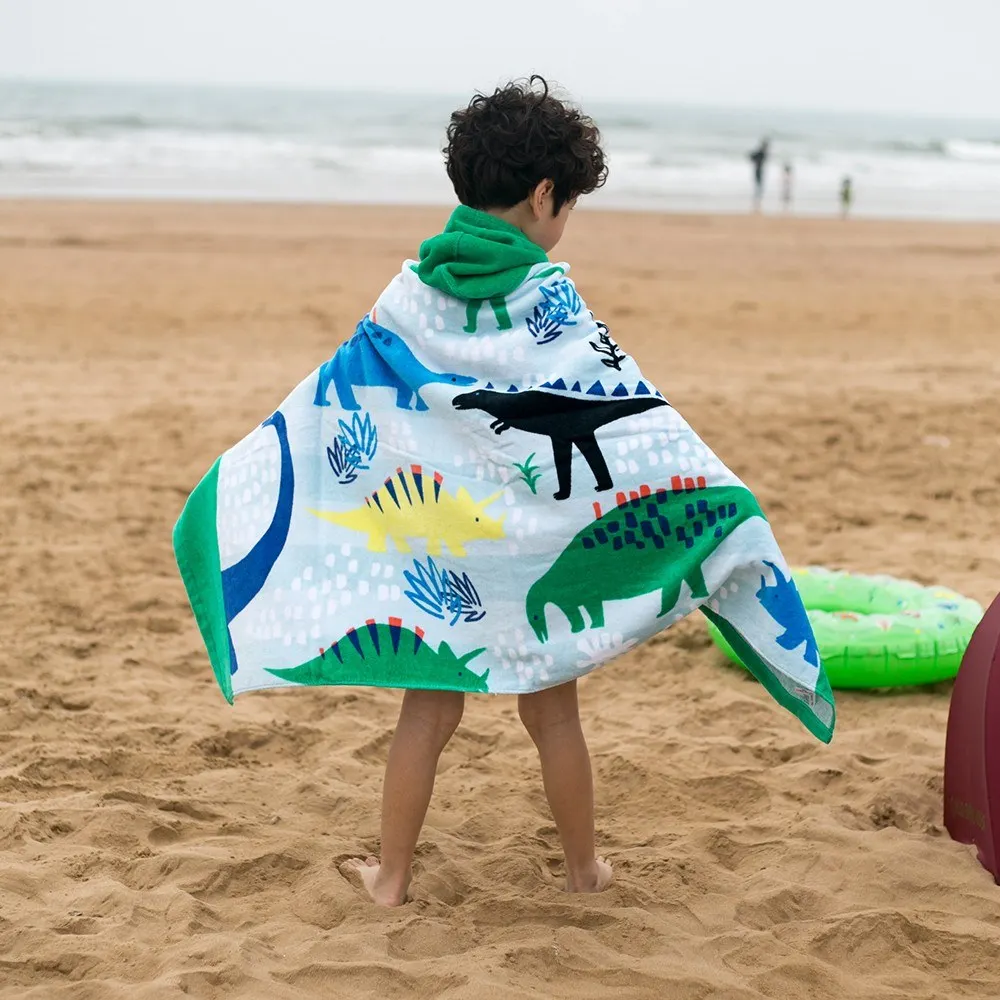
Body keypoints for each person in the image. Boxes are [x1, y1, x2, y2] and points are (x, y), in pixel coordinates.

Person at [171, 76, 834, 911]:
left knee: (427, 712)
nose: (564, 230)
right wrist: (722, 497)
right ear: (545, 193)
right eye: (568, 208)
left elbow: (336, 396)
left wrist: (236, 482)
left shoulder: (409, 292)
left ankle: (392, 879)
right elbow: (633, 420)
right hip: (534, 551)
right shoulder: (548, 295)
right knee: (554, 716)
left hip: (444, 555)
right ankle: (585, 872)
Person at [748, 137, 770, 212]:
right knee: (758, 186)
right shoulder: (761, 152)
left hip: (759, 170)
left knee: (759, 186)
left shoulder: (762, 152)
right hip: (758, 170)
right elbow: (751, 157)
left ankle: (757, 201)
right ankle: (757, 201)